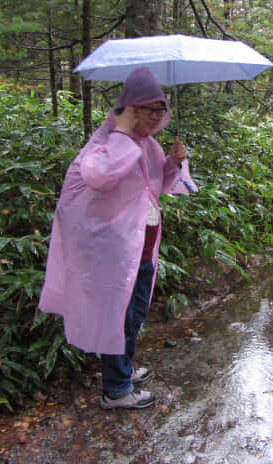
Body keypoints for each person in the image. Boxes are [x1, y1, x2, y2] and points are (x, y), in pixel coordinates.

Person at [38, 67, 196, 410]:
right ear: (128, 109)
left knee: (134, 314)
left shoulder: (147, 145)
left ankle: (123, 369)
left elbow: (159, 186)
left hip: (141, 248)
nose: (156, 117)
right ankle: (116, 389)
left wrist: (173, 161)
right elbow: (100, 176)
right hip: (114, 251)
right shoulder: (106, 144)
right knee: (119, 316)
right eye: (148, 109)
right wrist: (122, 132)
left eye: (160, 110)